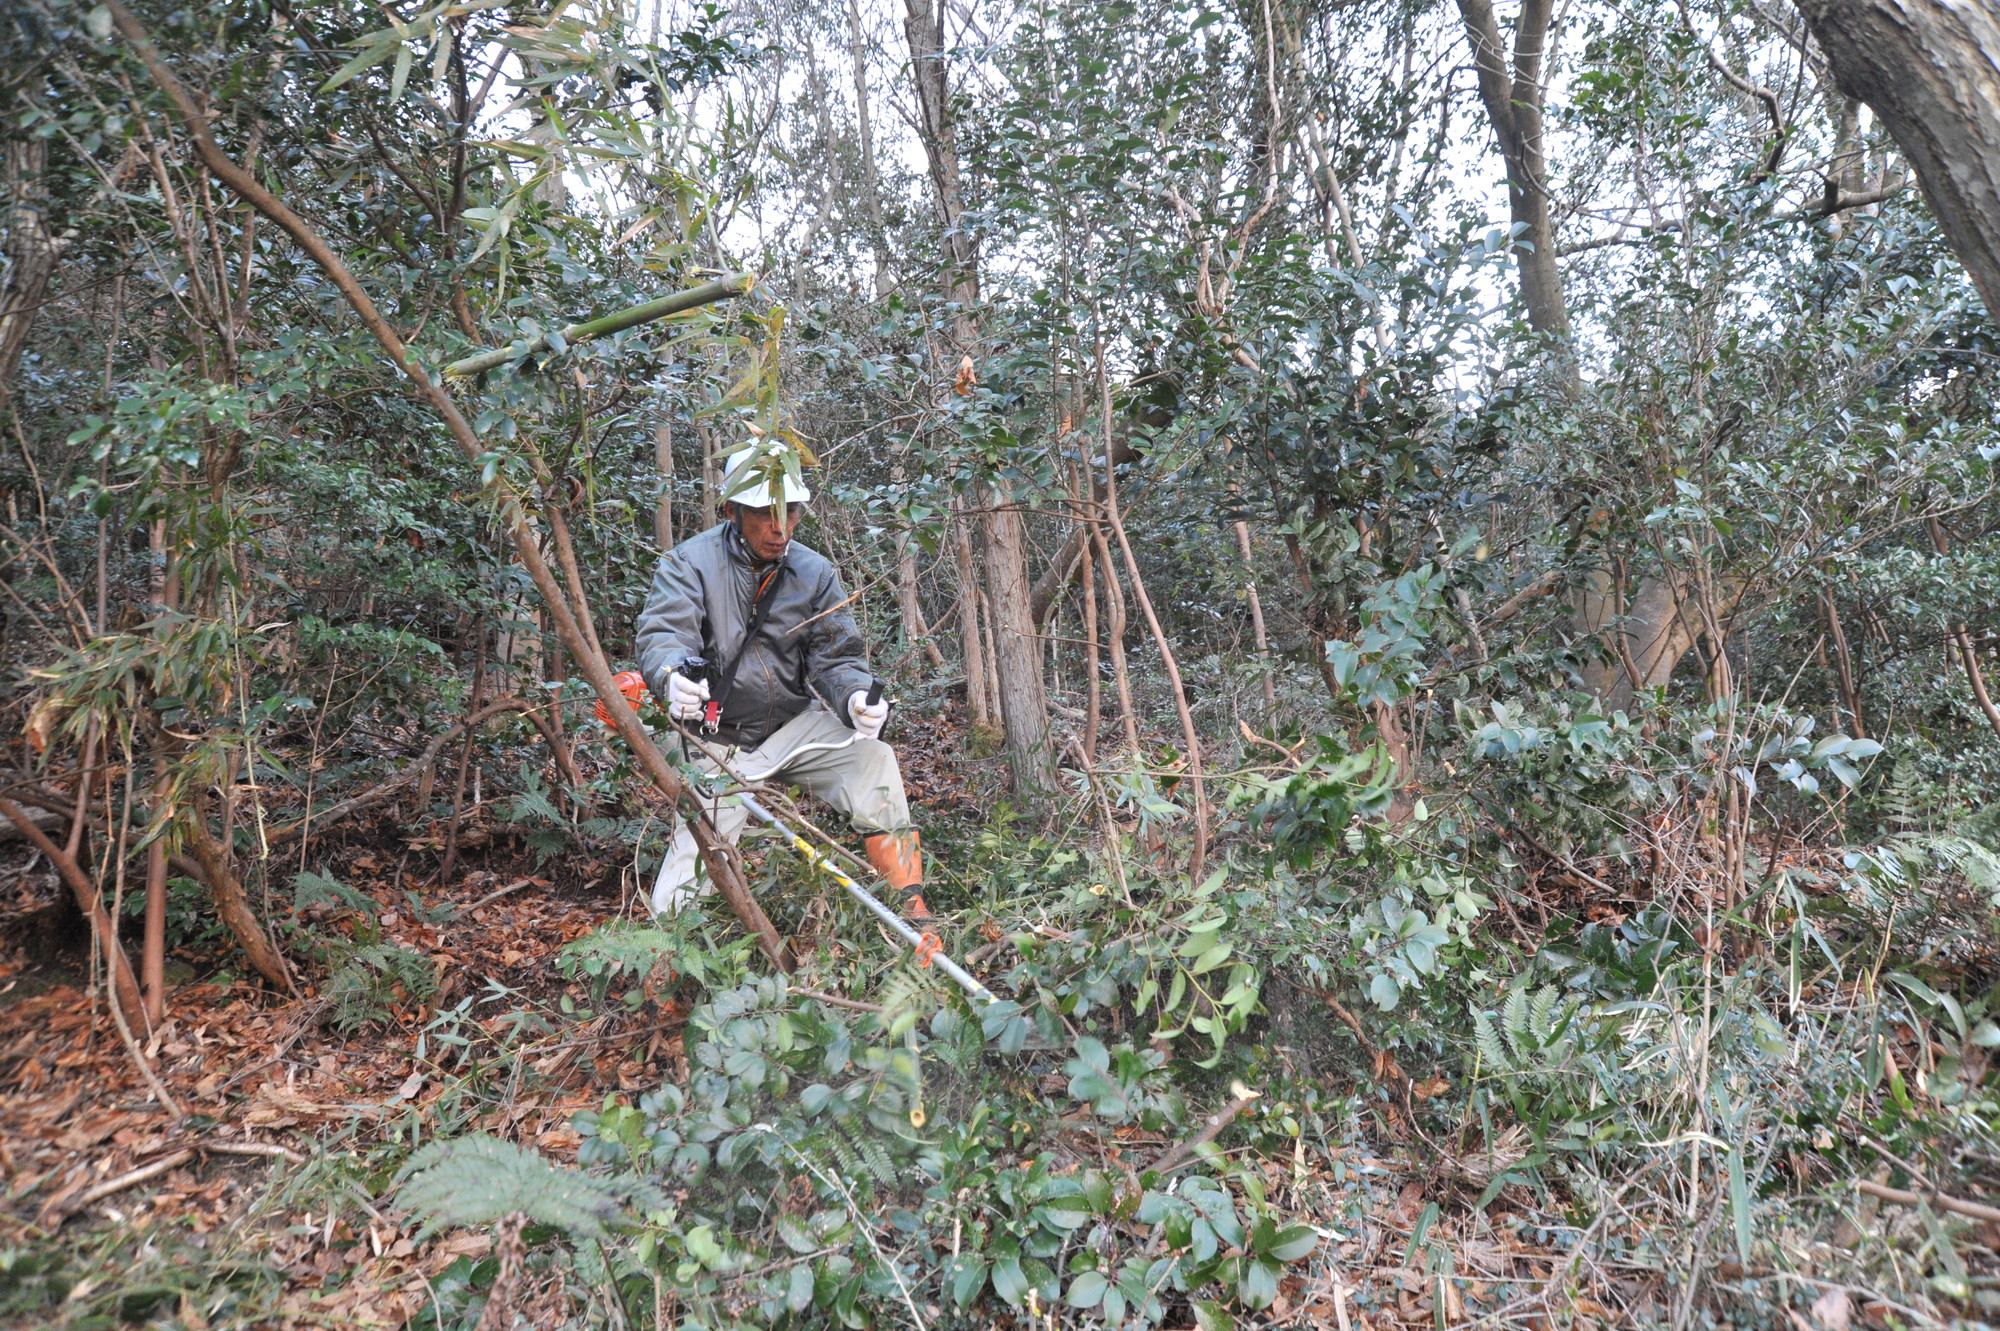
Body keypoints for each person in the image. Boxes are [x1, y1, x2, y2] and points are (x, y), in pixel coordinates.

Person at [629, 439, 932, 920]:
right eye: (764, 513)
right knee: (690, 875)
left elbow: (836, 657)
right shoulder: (689, 563)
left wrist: (855, 697)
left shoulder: (814, 571)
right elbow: (665, 634)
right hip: (716, 739)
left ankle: (912, 909)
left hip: (790, 726)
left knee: (873, 758)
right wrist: (671, 676)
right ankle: (667, 948)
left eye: (789, 512)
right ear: (732, 511)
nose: (780, 528)